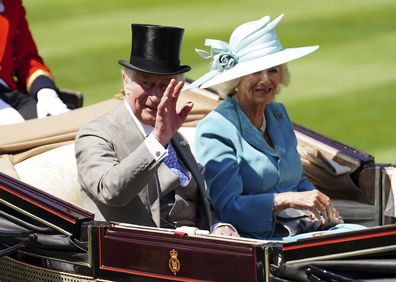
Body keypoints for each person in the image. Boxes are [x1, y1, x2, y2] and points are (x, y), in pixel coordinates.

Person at [189, 15, 365, 240]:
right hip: (263, 239)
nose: (265, 80)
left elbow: (295, 179)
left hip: (303, 228)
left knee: (366, 239)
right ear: (237, 79)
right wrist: (286, 200)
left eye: (272, 70)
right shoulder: (216, 129)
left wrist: (318, 203)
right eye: (255, 71)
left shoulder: (277, 114)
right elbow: (228, 208)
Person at [75, 23, 238, 237]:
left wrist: (218, 226)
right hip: (135, 255)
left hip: (196, 250)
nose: (155, 96)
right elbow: (110, 191)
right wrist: (157, 142)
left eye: (164, 86)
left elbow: (196, 202)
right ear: (126, 81)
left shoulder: (175, 136)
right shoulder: (96, 135)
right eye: (146, 83)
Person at [0, 0, 69, 126]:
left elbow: (26, 60)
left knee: (57, 126)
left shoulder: (11, 4)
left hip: (10, 92)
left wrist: (45, 91)